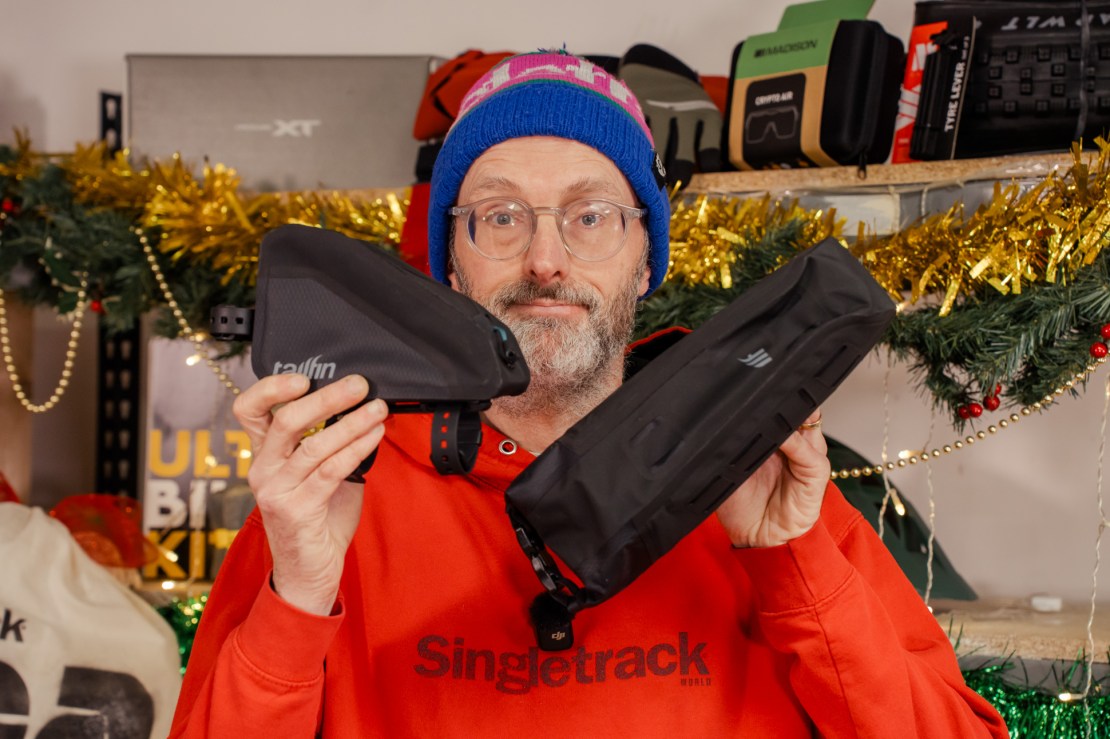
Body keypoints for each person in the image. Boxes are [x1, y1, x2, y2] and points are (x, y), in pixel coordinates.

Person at [169, 51, 1007, 737]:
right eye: (500, 216)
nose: (544, 259)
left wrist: (793, 562)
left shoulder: (761, 478)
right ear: (450, 261)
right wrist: (300, 595)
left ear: (647, 259)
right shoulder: (332, 488)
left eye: (592, 215)